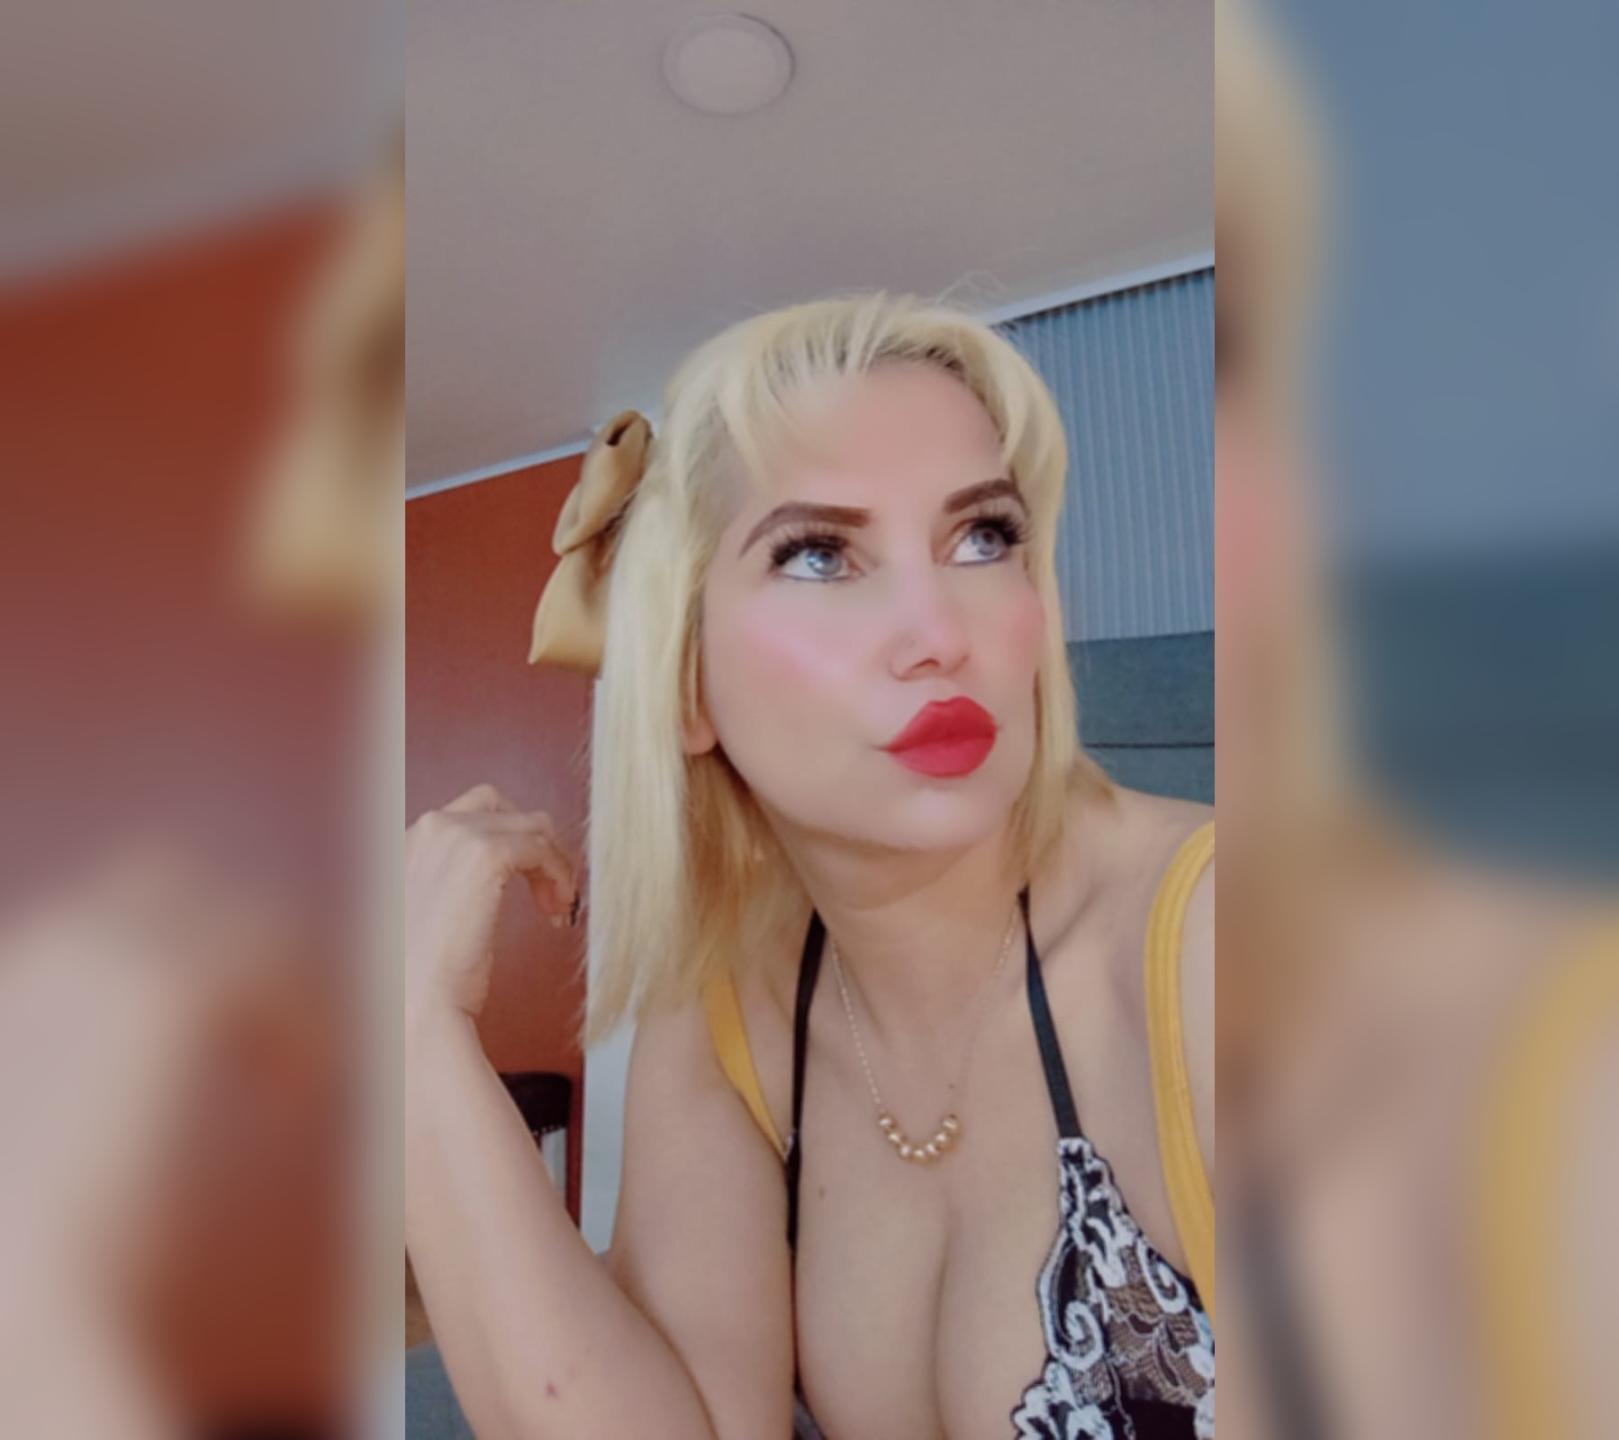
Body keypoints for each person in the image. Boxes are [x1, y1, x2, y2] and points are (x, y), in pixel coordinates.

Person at [404, 292, 1215, 1438]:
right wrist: (416, 1033)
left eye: (983, 537)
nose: (939, 632)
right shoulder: (732, 1005)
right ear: (685, 686)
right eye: (820, 554)